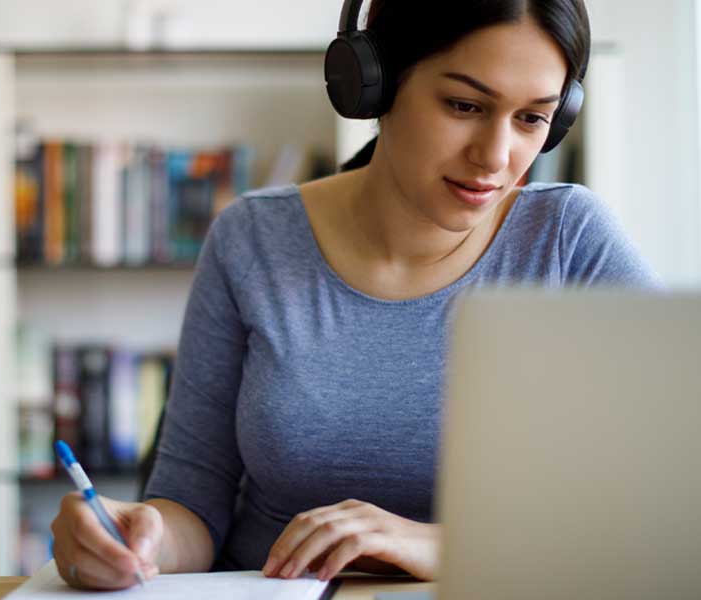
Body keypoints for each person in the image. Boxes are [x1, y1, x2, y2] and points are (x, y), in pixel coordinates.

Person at [50, 0, 661, 590]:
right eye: (464, 104)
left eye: (532, 118)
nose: (496, 158)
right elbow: (192, 505)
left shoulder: (567, 241)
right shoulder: (252, 240)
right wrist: (139, 537)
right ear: (375, 81)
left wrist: (440, 544)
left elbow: (668, 491)